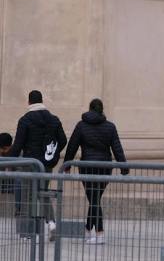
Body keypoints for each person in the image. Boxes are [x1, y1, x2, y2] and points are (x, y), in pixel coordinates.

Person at [63, 98, 128, 244]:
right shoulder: (110, 127)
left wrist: (67, 165)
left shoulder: (81, 126)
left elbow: (72, 146)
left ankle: (98, 233)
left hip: (87, 167)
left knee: (93, 199)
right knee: (95, 199)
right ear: (102, 109)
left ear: (90, 108)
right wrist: (124, 168)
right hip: (105, 168)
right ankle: (89, 230)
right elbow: (117, 148)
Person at [9, 90, 67, 239]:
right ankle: (52, 224)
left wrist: (9, 162)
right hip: (46, 164)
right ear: (42, 101)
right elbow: (63, 140)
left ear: (29, 102)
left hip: (30, 163)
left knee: (28, 195)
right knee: (43, 192)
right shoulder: (53, 119)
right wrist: (52, 153)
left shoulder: (25, 119)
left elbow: (18, 145)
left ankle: (28, 232)